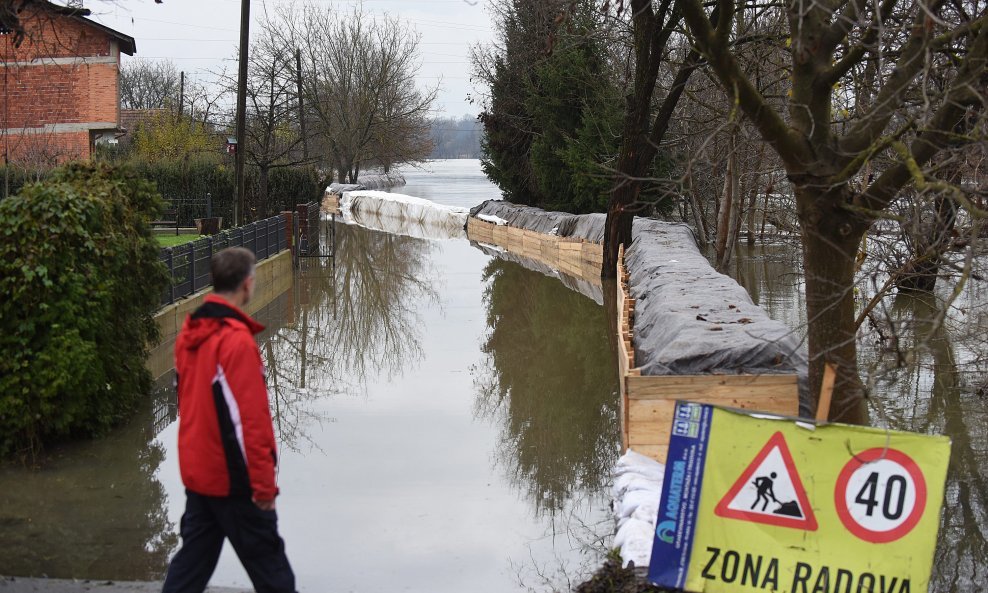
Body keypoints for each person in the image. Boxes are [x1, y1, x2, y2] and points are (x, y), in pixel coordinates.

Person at [162, 247, 297, 593]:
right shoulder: (235, 342)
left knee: (189, 569)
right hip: (235, 482)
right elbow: (249, 420)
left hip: (199, 473)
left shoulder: (188, 337)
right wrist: (264, 485)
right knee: (273, 573)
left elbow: (188, 406)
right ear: (247, 284)